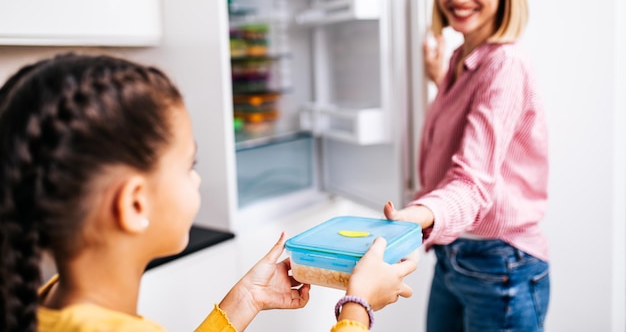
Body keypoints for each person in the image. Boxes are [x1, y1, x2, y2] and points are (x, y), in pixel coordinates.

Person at [0, 53, 417, 332]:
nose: (197, 179)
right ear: (134, 204)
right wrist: (357, 308)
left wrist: (243, 302)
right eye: (189, 167)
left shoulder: (48, 301)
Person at [384, 0, 550, 332]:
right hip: (455, 255)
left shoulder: (506, 65)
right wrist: (439, 78)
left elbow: (472, 183)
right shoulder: (462, 59)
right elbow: (465, 124)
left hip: (501, 265)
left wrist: (415, 217)